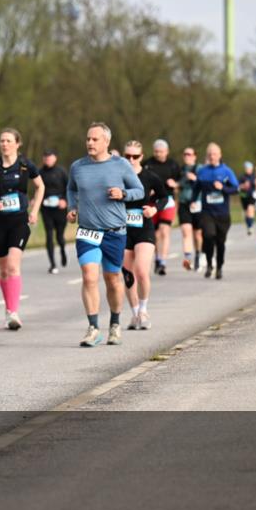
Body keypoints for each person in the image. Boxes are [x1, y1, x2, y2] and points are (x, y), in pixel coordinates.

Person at [66, 122, 144, 347]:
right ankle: (92, 328)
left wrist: (123, 194)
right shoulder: (78, 167)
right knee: (89, 276)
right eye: (88, 139)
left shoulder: (120, 165)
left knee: (112, 279)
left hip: (114, 232)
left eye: (95, 139)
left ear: (106, 142)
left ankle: (115, 324)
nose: (90, 143)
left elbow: (139, 191)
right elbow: (71, 188)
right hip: (87, 231)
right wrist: (72, 207)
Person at [0, 128, 44, 330]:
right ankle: (8, 309)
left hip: (19, 220)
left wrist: (34, 210)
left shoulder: (25, 165)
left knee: (13, 267)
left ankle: (13, 312)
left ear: (17, 143)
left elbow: (40, 186)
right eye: (2, 141)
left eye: (8, 140)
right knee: (3, 270)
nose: (4, 144)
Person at [121, 141, 168, 330]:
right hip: (122, 229)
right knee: (127, 274)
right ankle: (134, 314)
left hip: (144, 227)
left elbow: (164, 196)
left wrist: (154, 209)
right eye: (128, 156)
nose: (131, 160)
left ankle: (144, 310)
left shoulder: (149, 176)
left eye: (135, 156)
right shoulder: (117, 176)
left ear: (141, 157)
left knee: (141, 270)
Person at [193, 143, 240, 279]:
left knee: (220, 242)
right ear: (207, 156)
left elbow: (236, 189)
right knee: (208, 236)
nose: (212, 156)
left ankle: (219, 266)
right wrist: (193, 200)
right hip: (207, 212)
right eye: (209, 154)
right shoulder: (202, 172)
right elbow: (196, 188)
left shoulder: (226, 171)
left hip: (223, 214)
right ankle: (209, 264)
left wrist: (223, 188)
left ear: (219, 155)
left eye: (214, 154)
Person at [142, 139, 181, 276]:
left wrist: (176, 184)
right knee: (156, 234)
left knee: (165, 231)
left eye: (162, 152)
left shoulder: (173, 165)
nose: (159, 154)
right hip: (151, 203)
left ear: (167, 151)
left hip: (167, 201)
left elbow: (181, 180)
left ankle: (163, 261)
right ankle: (157, 259)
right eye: (157, 152)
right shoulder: (147, 164)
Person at [38, 149, 69, 274]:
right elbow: (36, 188)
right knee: (49, 235)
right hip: (46, 209)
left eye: (50, 157)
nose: (47, 160)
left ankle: (62, 249)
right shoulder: (39, 172)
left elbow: (69, 188)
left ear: (55, 158)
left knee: (59, 236)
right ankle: (52, 264)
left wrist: (65, 200)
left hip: (60, 208)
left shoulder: (61, 171)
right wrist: (36, 201)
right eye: (45, 157)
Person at [177, 147, 204, 271]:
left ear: (195, 156)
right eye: (185, 154)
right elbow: (177, 186)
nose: (187, 156)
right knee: (186, 231)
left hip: (197, 204)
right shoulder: (180, 170)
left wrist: (195, 178)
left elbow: (205, 183)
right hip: (183, 203)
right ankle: (188, 259)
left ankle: (198, 254)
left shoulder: (200, 169)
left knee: (197, 234)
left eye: (189, 154)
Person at [238, 161, 256, 236]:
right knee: (246, 212)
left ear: (251, 169)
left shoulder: (254, 177)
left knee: (250, 209)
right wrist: (243, 185)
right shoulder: (242, 177)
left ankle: (250, 226)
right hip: (243, 196)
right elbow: (238, 186)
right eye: (246, 168)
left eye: (249, 168)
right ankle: (249, 225)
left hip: (251, 196)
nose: (247, 169)